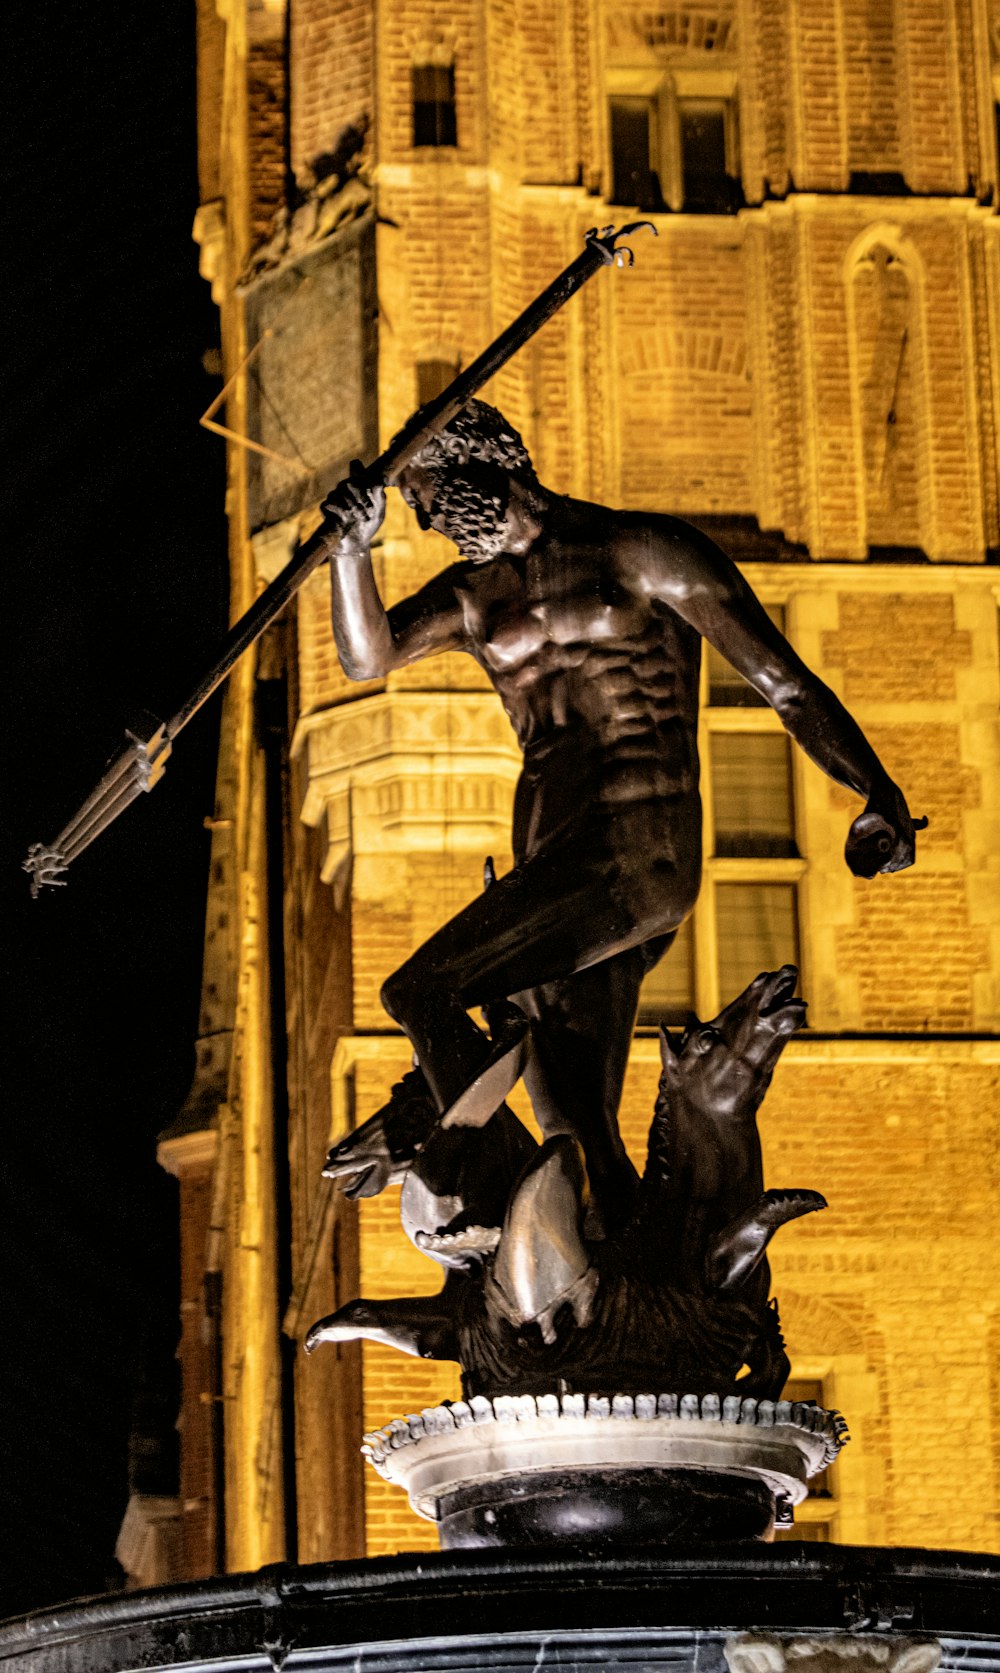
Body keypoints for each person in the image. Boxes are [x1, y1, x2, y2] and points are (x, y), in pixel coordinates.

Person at [322, 401, 922, 1231]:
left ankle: (465, 1158)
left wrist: (876, 787)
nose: (421, 517)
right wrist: (351, 552)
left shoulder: (641, 550)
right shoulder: (473, 597)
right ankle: (641, 1297)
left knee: (419, 987)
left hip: (637, 850)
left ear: (478, 463)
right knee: (577, 1124)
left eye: (424, 494)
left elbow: (783, 684)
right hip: (554, 867)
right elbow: (369, 654)